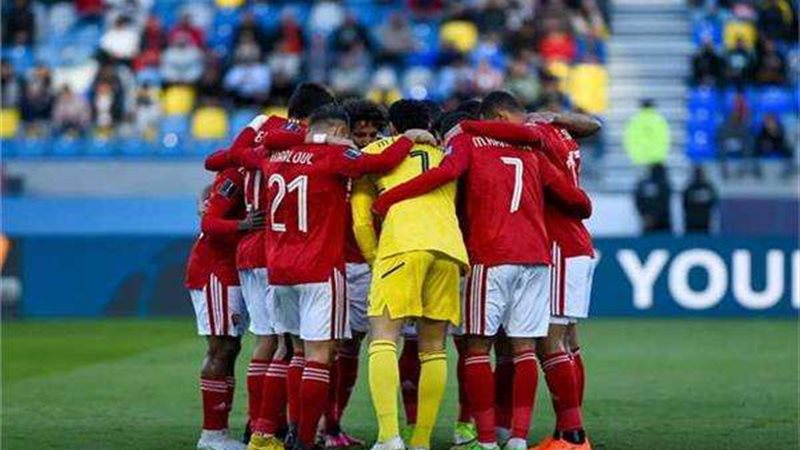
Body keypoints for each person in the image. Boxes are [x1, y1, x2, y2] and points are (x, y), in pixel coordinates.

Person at [372, 92, 595, 450]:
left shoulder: (467, 140)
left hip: (490, 253)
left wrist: (392, 197)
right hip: (536, 257)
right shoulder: (531, 147)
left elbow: (447, 172)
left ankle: (486, 439)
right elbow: (579, 202)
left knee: (476, 346)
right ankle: (518, 438)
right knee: (525, 348)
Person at [248, 104, 416, 450]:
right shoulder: (334, 157)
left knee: (293, 350)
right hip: (319, 268)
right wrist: (408, 138)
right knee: (319, 355)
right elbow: (382, 161)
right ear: (341, 132)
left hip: (279, 270)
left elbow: (254, 147)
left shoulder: (275, 155)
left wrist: (315, 138)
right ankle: (305, 440)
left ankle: (279, 432)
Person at [207, 82, 337, 448]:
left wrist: (255, 130)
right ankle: (270, 428)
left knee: (269, 341)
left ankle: (262, 426)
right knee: (289, 345)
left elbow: (219, 158)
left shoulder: (264, 132)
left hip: (250, 250)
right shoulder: (302, 140)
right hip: (278, 247)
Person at [351, 99, 466, 450]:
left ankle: (389, 437)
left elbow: (361, 220)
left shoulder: (377, 150)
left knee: (384, 338)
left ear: (391, 127)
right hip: (449, 249)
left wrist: (375, 260)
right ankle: (421, 441)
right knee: (434, 348)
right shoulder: (444, 151)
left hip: (402, 244)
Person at [323, 99, 390, 449]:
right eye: (358, 134)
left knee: (351, 347)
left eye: (372, 134)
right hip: (332, 265)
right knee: (325, 348)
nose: (365, 141)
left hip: (366, 266)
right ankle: (313, 425)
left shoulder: (384, 167)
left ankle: (334, 425)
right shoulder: (332, 161)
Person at [185, 167, 263, 450]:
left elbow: (211, 188)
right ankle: (212, 435)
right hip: (215, 270)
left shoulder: (258, 171)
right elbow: (209, 222)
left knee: (230, 348)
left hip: (235, 269)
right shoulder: (239, 173)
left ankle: (220, 431)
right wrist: (243, 225)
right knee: (221, 348)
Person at [623, 99, 670, 166]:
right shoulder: (659, 120)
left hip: (639, 159)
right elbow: (664, 138)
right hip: (656, 158)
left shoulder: (635, 121)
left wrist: (636, 155)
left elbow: (630, 139)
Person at [634, 163, 672, 234]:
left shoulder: (644, 184)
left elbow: (638, 201)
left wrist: (646, 216)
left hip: (649, 221)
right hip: (662, 222)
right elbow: (664, 203)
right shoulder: (664, 184)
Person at [682, 166, 718, 234]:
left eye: (700, 174)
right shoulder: (690, 188)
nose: (698, 176)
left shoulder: (707, 187)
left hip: (704, 222)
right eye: (697, 174)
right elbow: (684, 203)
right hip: (692, 223)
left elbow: (713, 201)